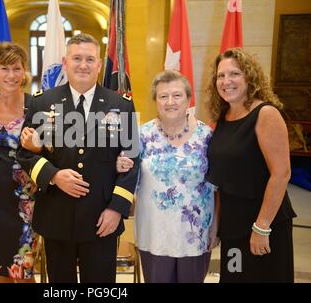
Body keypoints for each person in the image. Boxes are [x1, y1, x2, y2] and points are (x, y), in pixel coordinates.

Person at [17, 34, 139, 283]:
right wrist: (54, 175)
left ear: (99, 64)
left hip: (101, 217)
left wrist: (117, 208)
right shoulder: (43, 103)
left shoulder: (121, 105)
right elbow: (26, 152)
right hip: (56, 215)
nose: (83, 65)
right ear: (65, 62)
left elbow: (132, 159)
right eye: (77, 58)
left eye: (90, 59)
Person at [117, 70, 219, 283]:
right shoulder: (140, 135)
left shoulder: (208, 137)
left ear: (188, 99)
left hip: (195, 232)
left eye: (177, 95)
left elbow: (218, 186)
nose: (170, 102)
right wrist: (119, 165)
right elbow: (125, 175)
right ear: (156, 100)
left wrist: (216, 226)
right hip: (155, 233)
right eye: (163, 96)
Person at [205, 48, 296, 282]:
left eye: (234, 74)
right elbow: (221, 179)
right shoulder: (224, 117)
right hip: (233, 227)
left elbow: (281, 174)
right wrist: (216, 226)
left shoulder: (266, 114)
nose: (226, 82)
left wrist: (261, 227)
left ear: (249, 77)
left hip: (264, 226)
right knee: (235, 277)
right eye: (221, 76)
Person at [0, 42, 40, 283]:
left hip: (25, 199)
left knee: (22, 271)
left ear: (25, 70)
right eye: (5, 68)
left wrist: (38, 147)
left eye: (17, 68)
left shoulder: (34, 105)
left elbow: (49, 150)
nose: (11, 75)